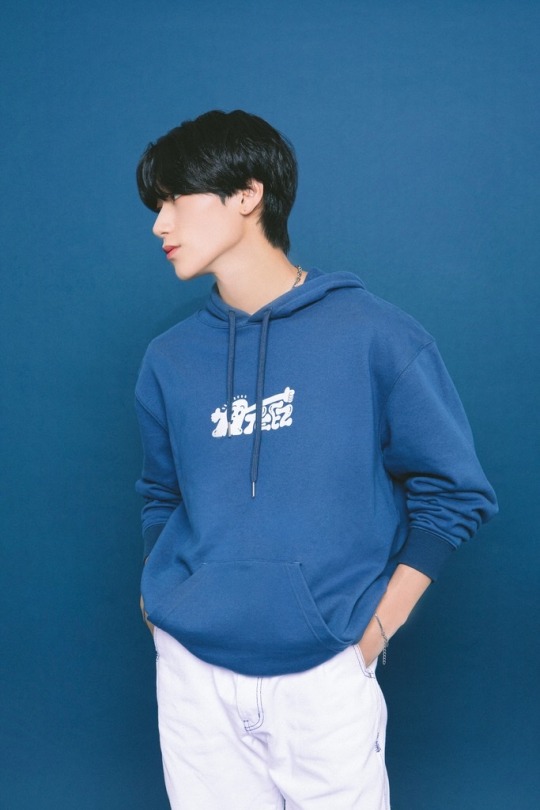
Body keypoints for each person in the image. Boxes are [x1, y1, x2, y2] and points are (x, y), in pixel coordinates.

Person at [134, 109, 498, 810]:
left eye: (176, 198)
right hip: (192, 673)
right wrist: (160, 597)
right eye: (157, 205)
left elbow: (455, 492)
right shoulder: (169, 360)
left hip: (324, 670)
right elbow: (161, 492)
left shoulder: (374, 335)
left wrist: (375, 631)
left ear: (248, 194)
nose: (160, 224)